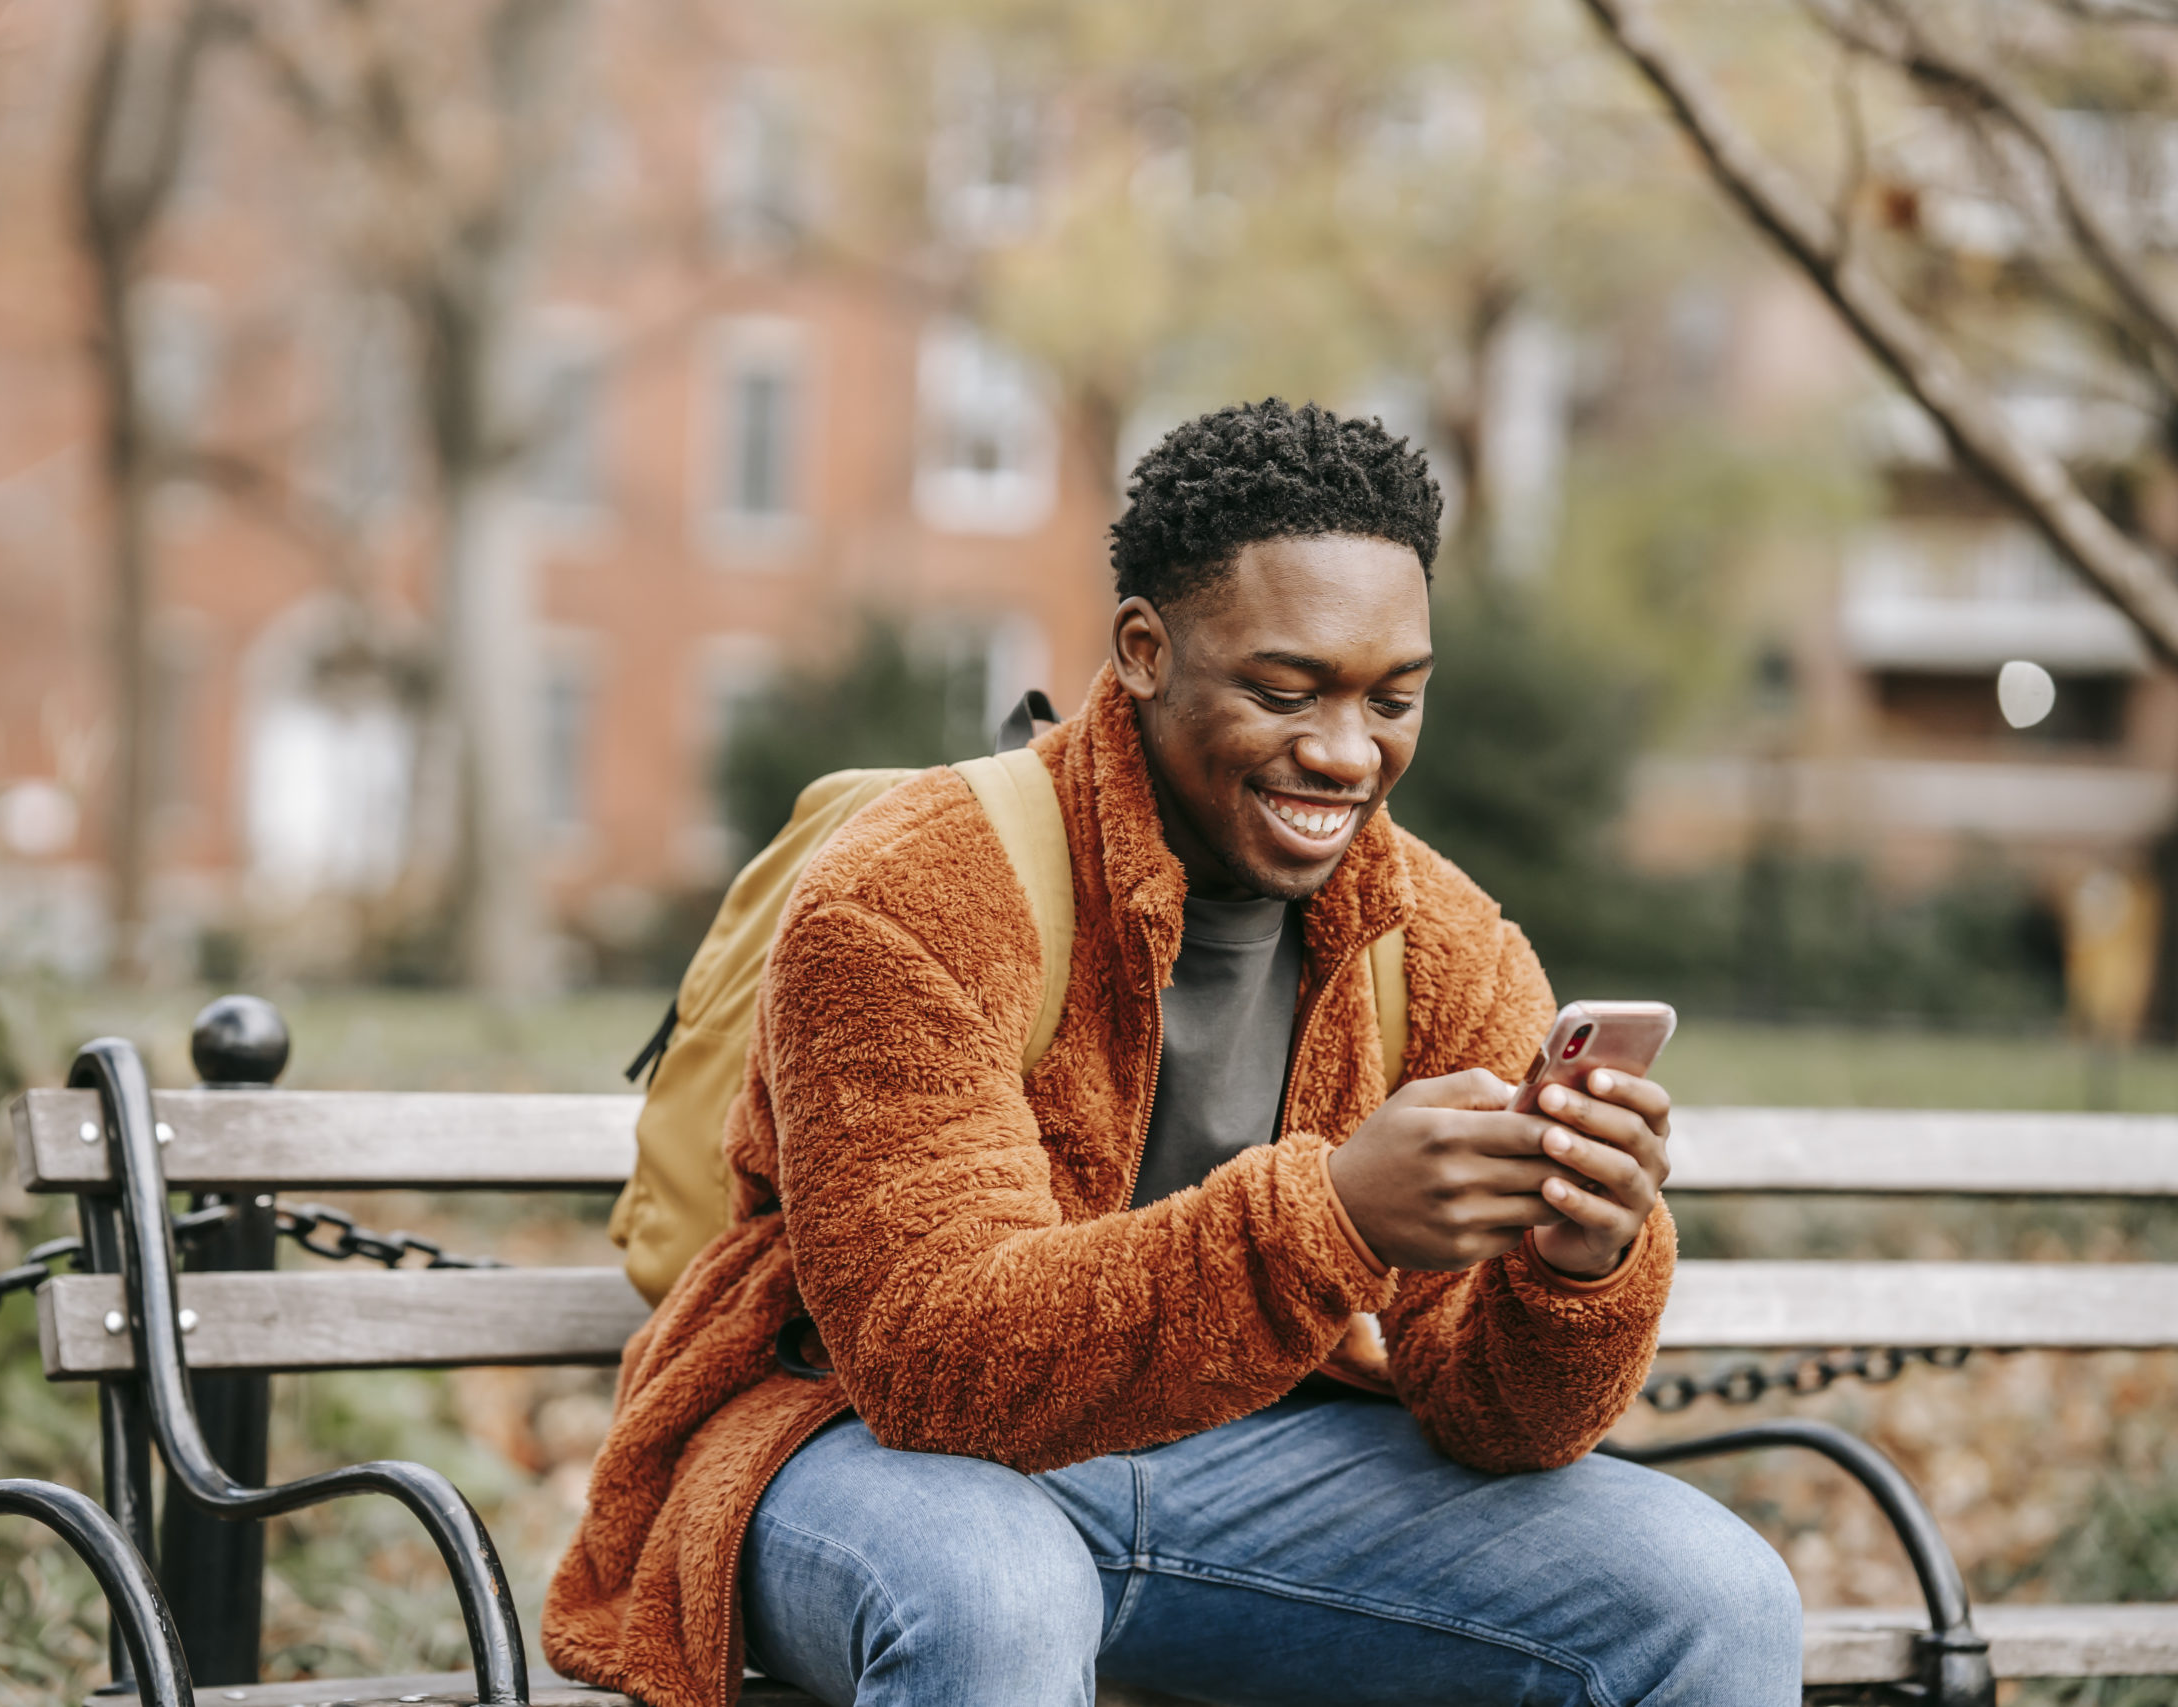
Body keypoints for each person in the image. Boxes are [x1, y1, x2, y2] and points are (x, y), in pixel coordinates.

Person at [546, 401, 1803, 1707]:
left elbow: (1501, 1421)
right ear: (1144, 651)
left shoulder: (1445, 948)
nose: (1344, 751)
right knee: (996, 1594)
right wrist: (1328, 1216)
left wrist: (1577, 1262)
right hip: (860, 1456)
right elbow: (930, 1362)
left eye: (1394, 698)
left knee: (1710, 1598)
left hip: (1249, 1478)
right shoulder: (909, 892)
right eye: (1284, 688)